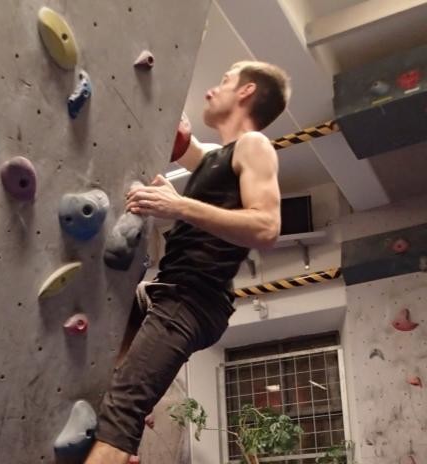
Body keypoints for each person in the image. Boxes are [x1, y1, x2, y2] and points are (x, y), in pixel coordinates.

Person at [85, 60, 291, 464]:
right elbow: (193, 154)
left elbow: (267, 227)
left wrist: (178, 205)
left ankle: (117, 437)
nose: (212, 90)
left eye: (224, 81)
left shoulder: (254, 145)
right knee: (105, 356)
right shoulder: (216, 157)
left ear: (246, 91)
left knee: (122, 411)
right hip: (164, 290)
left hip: (194, 299)